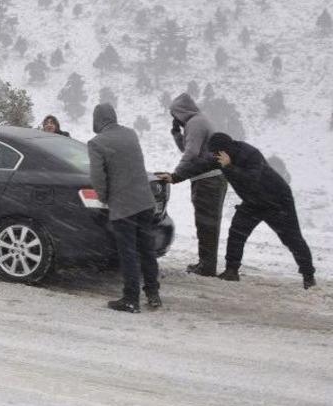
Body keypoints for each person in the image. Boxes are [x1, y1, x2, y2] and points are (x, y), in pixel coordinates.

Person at [160, 133, 316, 289]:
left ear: (224, 150)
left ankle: (309, 276)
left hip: (277, 201)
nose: (214, 156)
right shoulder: (220, 156)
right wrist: (175, 177)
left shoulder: (250, 154)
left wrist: (229, 166)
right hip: (253, 202)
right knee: (236, 233)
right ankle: (231, 271)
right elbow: (201, 165)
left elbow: (251, 180)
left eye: (216, 153)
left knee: (292, 238)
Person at [88, 103, 161, 313]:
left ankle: (130, 299)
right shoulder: (131, 134)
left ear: (97, 120)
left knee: (128, 253)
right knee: (147, 250)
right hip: (145, 201)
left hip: (124, 205)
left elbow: (97, 177)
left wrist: (103, 198)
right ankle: (153, 294)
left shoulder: (96, 143)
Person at [168, 93, 227, 276]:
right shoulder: (199, 121)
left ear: (181, 112)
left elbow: (191, 154)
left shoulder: (195, 123)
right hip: (211, 178)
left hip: (207, 180)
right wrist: (177, 134)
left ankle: (206, 266)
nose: (174, 118)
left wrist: (176, 174)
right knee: (209, 223)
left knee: (206, 223)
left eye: (174, 114)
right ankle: (206, 263)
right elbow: (191, 150)